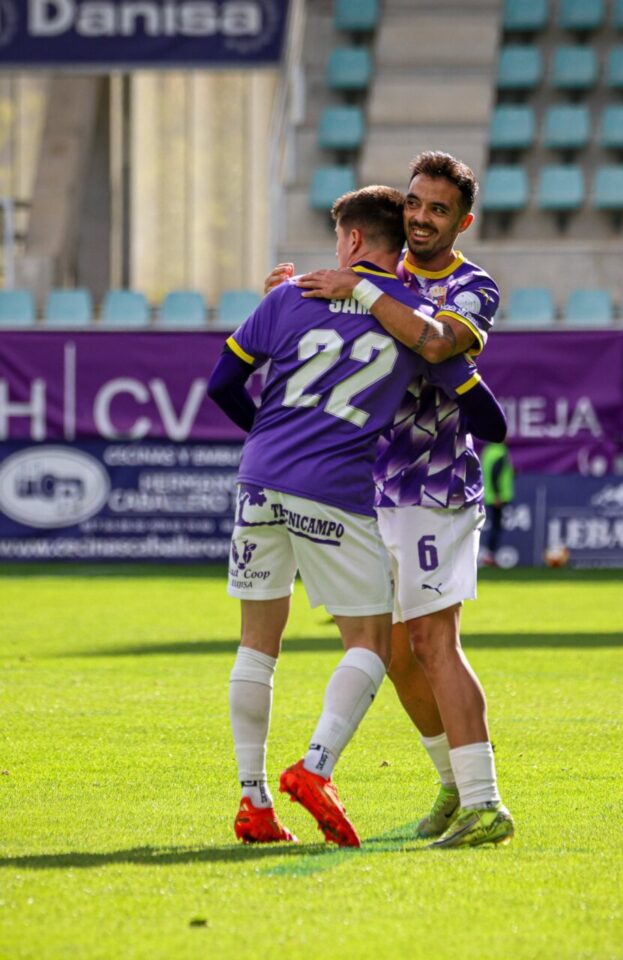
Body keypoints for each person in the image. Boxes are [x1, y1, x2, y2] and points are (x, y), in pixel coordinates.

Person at [207, 184, 508, 848]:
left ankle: (259, 797)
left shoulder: (453, 290)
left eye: (438, 209)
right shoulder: (391, 296)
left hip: (413, 485)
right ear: (394, 231)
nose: (424, 218)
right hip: (350, 487)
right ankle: (347, 775)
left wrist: (272, 435)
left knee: (289, 643)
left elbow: (222, 384)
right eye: (415, 208)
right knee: (384, 649)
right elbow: (485, 408)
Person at [480, 442, 514, 566]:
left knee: (493, 526)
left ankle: (488, 555)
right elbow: (495, 473)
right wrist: (497, 495)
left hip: (488, 495)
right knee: (496, 526)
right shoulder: (500, 452)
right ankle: (490, 555)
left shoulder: (487, 451)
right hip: (496, 497)